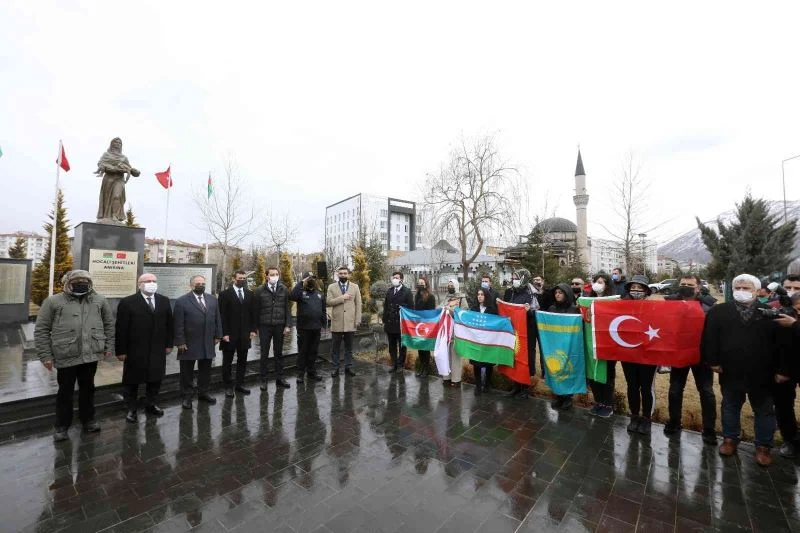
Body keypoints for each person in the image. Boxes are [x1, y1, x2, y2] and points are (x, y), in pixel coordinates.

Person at [702, 273, 790, 467]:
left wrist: (783, 370)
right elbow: (710, 338)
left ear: (757, 291)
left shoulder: (769, 312)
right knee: (730, 405)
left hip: (762, 373)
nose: (741, 292)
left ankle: (763, 446)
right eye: (738, 288)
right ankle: (729, 439)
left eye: (746, 288)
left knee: (764, 410)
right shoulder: (719, 311)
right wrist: (713, 361)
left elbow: (782, 345)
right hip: (731, 370)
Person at [35, 270, 114, 441]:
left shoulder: (99, 300)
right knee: (65, 392)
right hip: (65, 354)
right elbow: (41, 329)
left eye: (84, 281)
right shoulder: (53, 301)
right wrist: (45, 356)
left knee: (88, 389)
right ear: (68, 282)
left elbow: (109, 324)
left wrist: (109, 346)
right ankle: (62, 425)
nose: (81, 283)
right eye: (77, 281)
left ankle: (88, 420)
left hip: (90, 355)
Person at [663, 275, 717, 445]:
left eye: (690, 284)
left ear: (698, 288)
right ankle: (674, 421)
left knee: (706, 392)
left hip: (702, 356)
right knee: (674, 390)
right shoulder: (670, 302)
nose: (686, 286)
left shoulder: (709, 305)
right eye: (683, 284)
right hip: (679, 353)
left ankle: (709, 429)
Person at [115, 273, 173, 423]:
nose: (152, 283)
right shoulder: (128, 302)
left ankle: (151, 404)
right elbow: (121, 329)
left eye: (154, 281)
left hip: (157, 348)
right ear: (139, 284)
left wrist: (168, 344)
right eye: (148, 281)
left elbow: (169, 325)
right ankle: (131, 409)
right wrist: (121, 350)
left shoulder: (164, 301)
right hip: (135, 349)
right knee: (132, 381)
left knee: (155, 379)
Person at [173, 275, 223, 410]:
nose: (201, 285)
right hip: (188, 343)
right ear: (191, 285)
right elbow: (178, 324)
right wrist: (180, 341)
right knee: (186, 372)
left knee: (205, 371)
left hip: (208, 341)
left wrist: (218, 335)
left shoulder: (212, 300)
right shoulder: (182, 301)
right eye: (197, 283)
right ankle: (187, 397)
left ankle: (203, 393)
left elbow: (217, 318)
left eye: (202, 283)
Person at [620, 275, 657, 435]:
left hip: (648, 354)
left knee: (646, 387)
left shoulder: (655, 308)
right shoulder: (621, 307)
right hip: (628, 353)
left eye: (639, 288)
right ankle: (634, 416)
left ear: (646, 291)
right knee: (632, 386)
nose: (635, 291)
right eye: (633, 288)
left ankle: (647, 418)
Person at [770, 275, 800, 458]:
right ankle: (790, 440)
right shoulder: (778, 307)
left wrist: (795, 324)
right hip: (784, 369)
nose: (792, 291)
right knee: (783, 406)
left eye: (796, 288)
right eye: (788, 287)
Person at [218, 270, 258, 397]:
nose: (242, 280)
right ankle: (228, 386)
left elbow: (253, 314)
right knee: (227, 362)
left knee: (242, 360)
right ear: (233, 279)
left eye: (244, 278)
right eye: (240, 278)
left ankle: (240, 384)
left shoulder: (250, 294)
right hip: (229, 334)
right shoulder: (224, 294)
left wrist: (253, 330)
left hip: (245, 334)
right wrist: (223, 333)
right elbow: (221, 315)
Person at [503, 268, 540, 399]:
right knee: (515, 357)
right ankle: (516, 386)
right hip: (514, 330)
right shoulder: (512, 292)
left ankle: (525, 389)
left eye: (516, 278)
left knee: (525, 359)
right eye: (513, 278)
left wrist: (529, 311)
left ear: (523, 278)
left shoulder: (532, 293)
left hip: (527, 332)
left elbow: (537, 313)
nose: (514, 280)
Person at [254, 267, 292, 391]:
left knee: (279, 353)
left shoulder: (284, 289)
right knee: (264, 353)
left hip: (279, 325)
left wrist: (287, 325)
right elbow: (256, 310)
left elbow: (287, 308)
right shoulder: (260, 290)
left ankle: (280, 378)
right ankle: (263, 379)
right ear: (266, 276)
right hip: (264, 326)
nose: (274, 276)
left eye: (276, 274)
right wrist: (256, 328)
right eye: (272, 274)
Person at [586, 272, 617, 418]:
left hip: (607, 344)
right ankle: (598, 401)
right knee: (592, 373)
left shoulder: (614, 301)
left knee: (607, 374)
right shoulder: (587, 300)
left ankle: (608, 404)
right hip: (591, 342)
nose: (598, 284)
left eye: (601, 282)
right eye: (596, 281)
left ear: (607, 285)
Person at [547, 283, 580, 410]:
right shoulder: (552, 309)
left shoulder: (573, 309)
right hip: (555, 345)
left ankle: (568, 397)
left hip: (569, 345)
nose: (557, 295)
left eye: (560, 292)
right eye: (556, 293)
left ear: (566, 294)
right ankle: (559, 395)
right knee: (557, 369)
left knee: (567, 370)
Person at [290, 272, 327, 383]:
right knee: (303, 351)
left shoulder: (320, 294)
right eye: (309, 278)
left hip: (316, 328)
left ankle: (311, 372)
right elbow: (292, 296)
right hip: (303, 328)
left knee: (313, 351)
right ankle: (300, 374)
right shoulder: (300, 293)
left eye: (313, 278)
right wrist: (301, 282)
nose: (312, 280)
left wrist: (323, 323)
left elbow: (323, 310)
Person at [327, 266, 361, 377]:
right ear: (338, 275)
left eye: (345, 273)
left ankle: (348, 367)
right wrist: (343, 297)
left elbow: (358, 305)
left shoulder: (355, 287)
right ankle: (335, 368)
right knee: (335, 348)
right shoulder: (331, 287)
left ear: (348, 274)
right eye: (340, 273)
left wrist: (358, 319)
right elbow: (329, 302)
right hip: (337, 322)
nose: (343, 275)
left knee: (349, 347)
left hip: (350, 322)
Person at [383, 271, 414, 373]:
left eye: (397, 278)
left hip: (401, 323)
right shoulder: (390, 291)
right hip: (390, 322)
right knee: (392, 346)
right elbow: (386, 306)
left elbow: (411, 307)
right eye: (394, 277)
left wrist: (403, 308)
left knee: (402, 345)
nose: (394, 279)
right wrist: (384, 320)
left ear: (401, 279)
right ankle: (394, 364)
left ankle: (401, 365)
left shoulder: (407, 291)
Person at [470, 288, 498, 396]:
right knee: (476, 363)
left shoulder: (492, 309)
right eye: (478, 294)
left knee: (488, 363)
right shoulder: (474, 309)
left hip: (488, 341)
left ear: (486, 296)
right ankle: (478, 385)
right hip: (476, 340)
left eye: (482, 294)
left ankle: (487, 384)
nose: (479, 296)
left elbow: (496, 323)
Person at [441, 278, 467, 387]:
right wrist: (442, 308)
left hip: (456, 330)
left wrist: (451, 311)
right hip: (446, 330)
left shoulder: (462, 298)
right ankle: (446, 377)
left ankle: (456, 379)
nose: (449, 287)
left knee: (455, 355)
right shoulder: (446, 297)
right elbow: (440, 307)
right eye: (448, 285)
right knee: (446, 354)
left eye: (451, 285)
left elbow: (464, 312)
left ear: (456, 286)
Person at [414, 275, 437, 377]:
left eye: (422, 283)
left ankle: (426, 369)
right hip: (418, 325)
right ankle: (422, 368)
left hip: (426, 325)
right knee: (419, 347)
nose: (420, 285)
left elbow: (431, 312)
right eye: (419, 283)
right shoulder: (416, 295)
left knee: (425, 348)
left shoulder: (430, 297)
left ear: (426, 284)